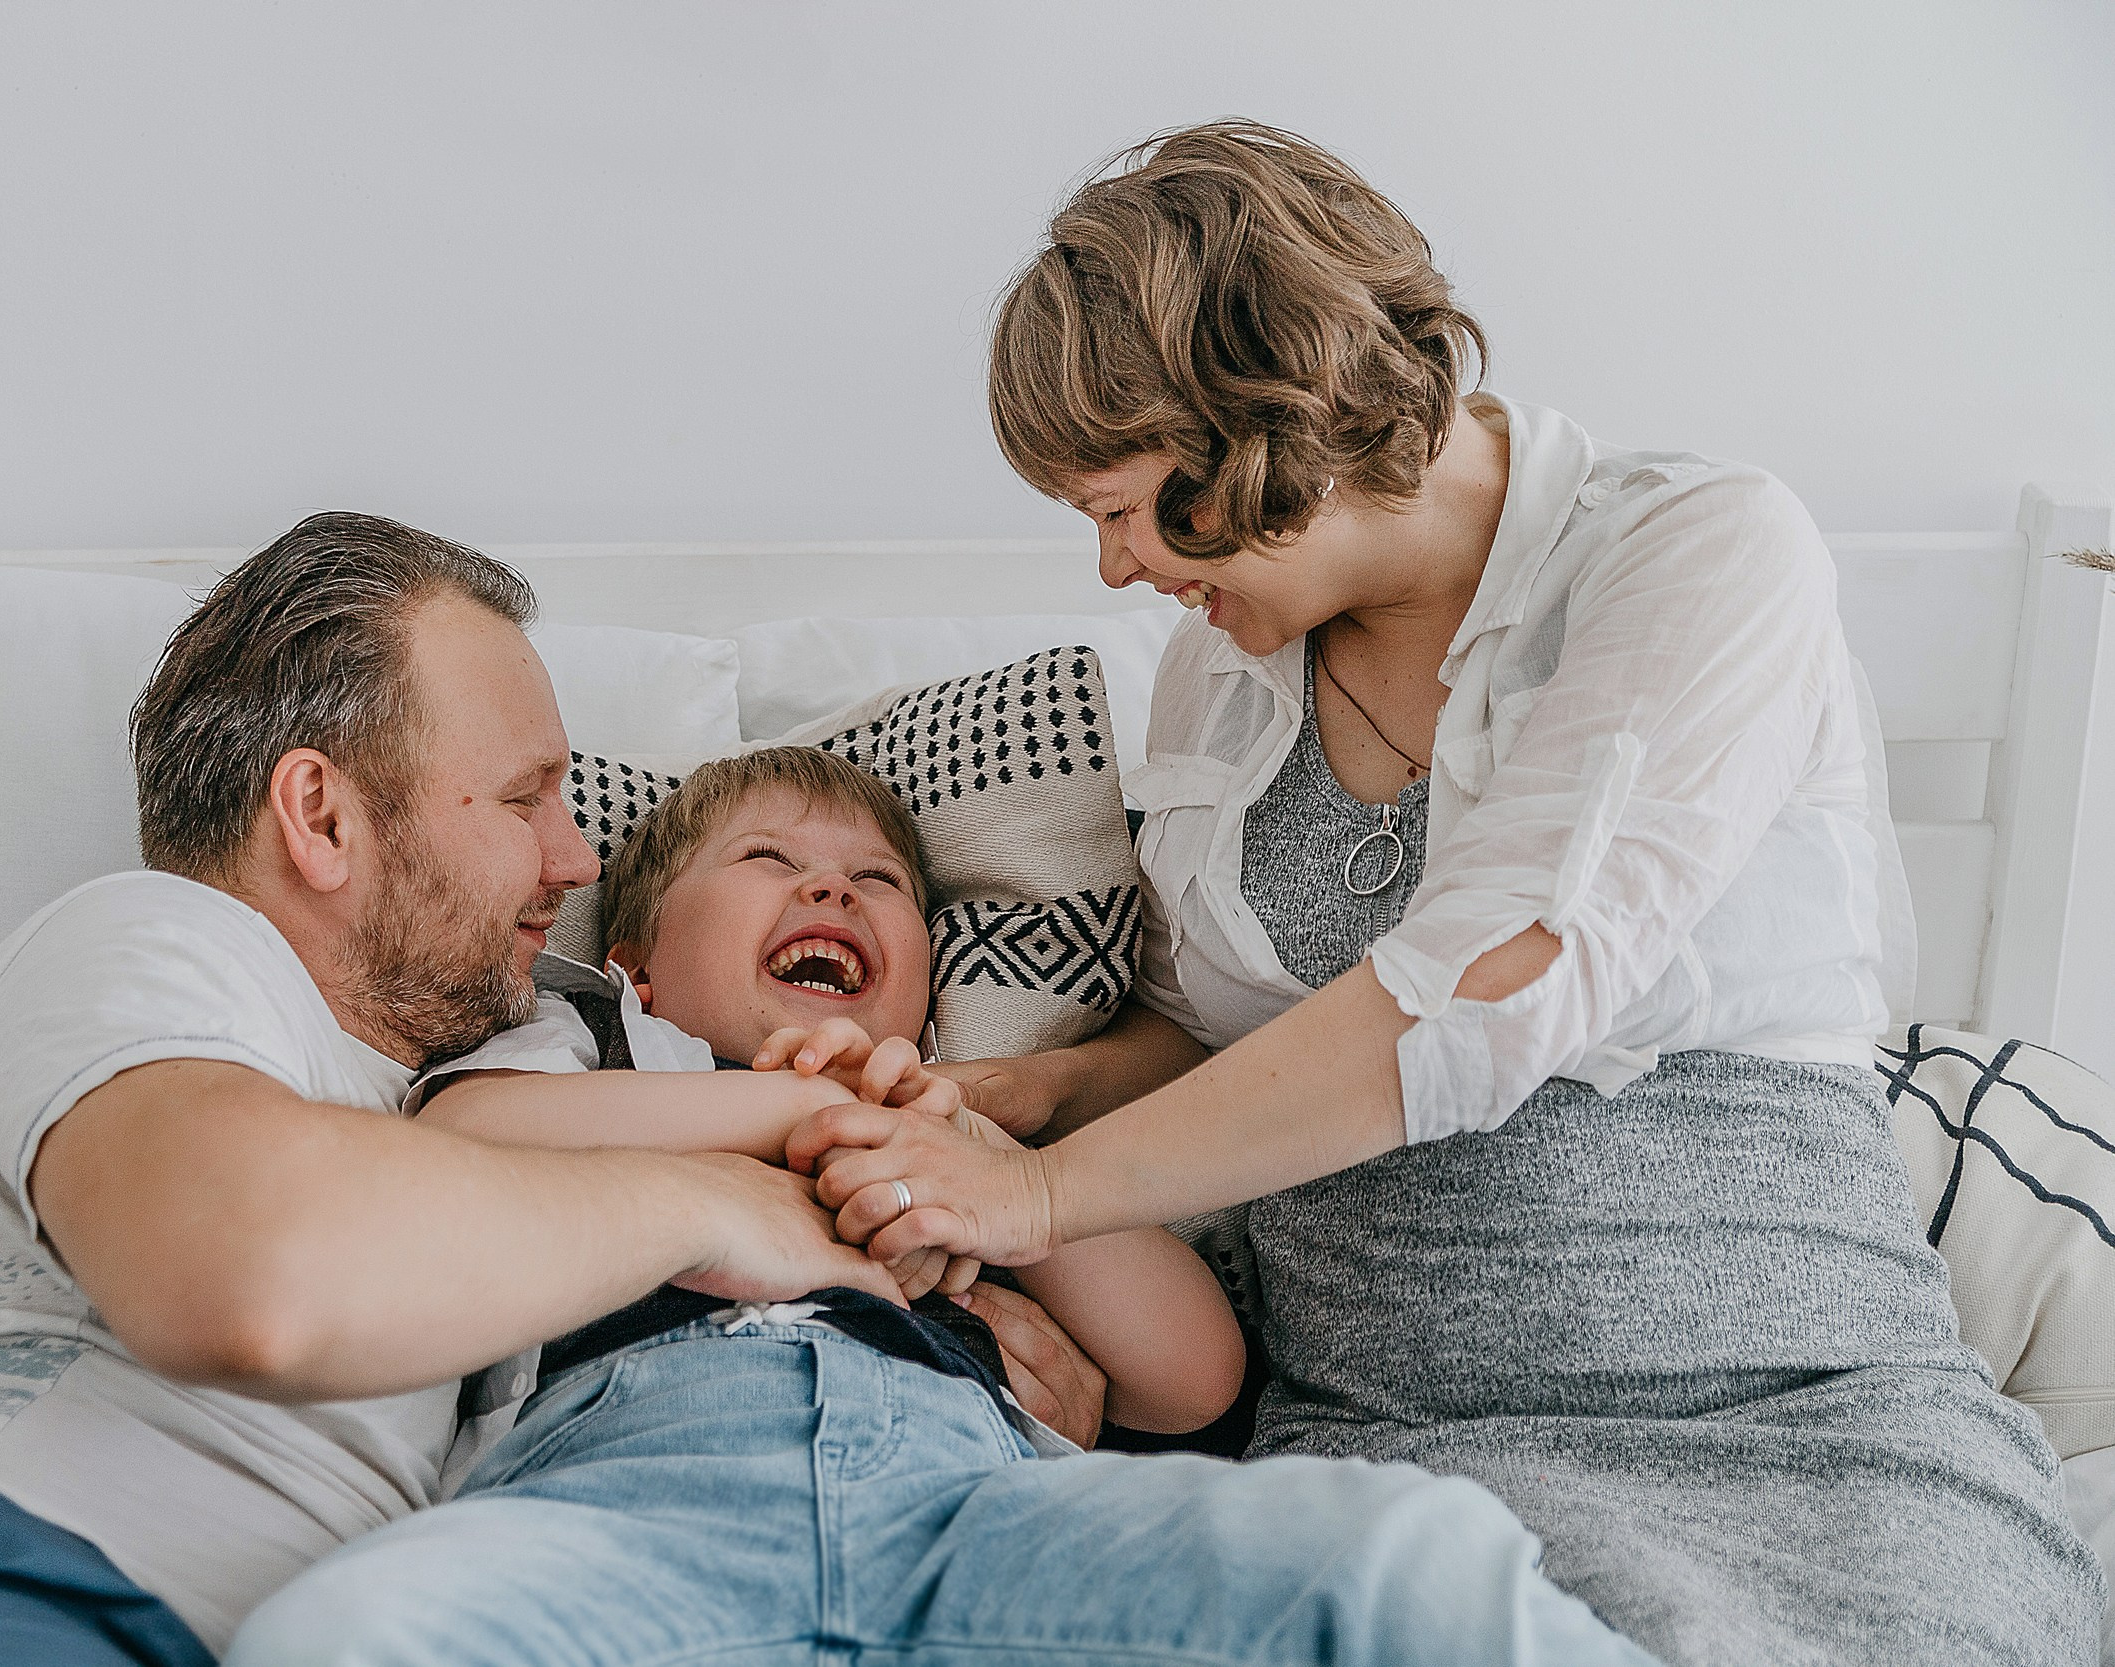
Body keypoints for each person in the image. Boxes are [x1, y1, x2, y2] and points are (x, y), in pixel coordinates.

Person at [789, 121, 2107, 1666]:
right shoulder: (1218, 677)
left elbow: (1498, 982)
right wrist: (1025, 1094)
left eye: (1129, 505)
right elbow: (1214, 1037)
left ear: (1273, 416)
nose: (1116, 569)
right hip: (1381, 1446)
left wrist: (1038, 1196)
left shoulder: (1695, 548)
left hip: (1791, 1419)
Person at [0, 514, 906, 1667]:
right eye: (525, 799)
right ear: (321, 818)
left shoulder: (473, 1088)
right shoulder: (150, 944)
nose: (575, 857)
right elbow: (253, 1276)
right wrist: (707, 1208)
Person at [226, 745, 1657, 1667]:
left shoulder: (974, 1140)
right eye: (773, 866)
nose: (832, 895)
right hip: (625, 1508)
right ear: (646, 961)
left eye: (879, 885)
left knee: (1415, 1561)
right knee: (341, 1635)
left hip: (978, 1514)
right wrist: (805, 1112)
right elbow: (479, 1133)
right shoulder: (603, 1039)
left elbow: (1190, 1375)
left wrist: (969, 1146)